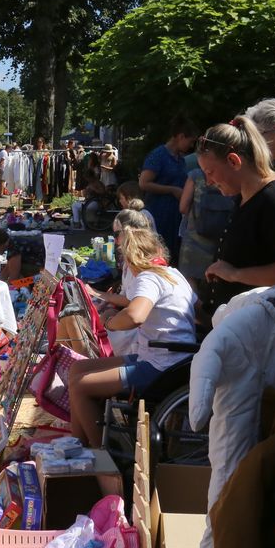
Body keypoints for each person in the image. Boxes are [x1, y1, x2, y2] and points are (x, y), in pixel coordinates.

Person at [67, 225, 196, 446]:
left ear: (131, 257)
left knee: (80, 386)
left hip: (160, 366)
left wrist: (110, 322)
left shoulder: (148, 278)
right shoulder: (172, 274)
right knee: (77, 369)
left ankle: (98, 452)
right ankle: (78, 442)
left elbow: (135, 315)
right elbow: (137, 302)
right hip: (174, 360)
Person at [196, 117, 275, 318]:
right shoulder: (243, 198)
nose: (208, 181)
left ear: (234, 161)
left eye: (210, 172)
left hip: (264, 335)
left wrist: (235, 275)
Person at [140, 115, 200, 259]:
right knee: (159, 254)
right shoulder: (159, 155)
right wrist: (172, 190)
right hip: (159, 214)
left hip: (175, 216)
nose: (191, 146)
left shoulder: (179, 158)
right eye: (190, 141)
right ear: (180, 136)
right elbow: (143, 183)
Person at [178, 164, 235, 303]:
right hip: (221, 238)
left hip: (194, 239)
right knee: (215, 279)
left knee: (190, 282)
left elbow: (183, 207)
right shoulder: (229, 173)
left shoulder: (196, 175)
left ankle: (194, 317)